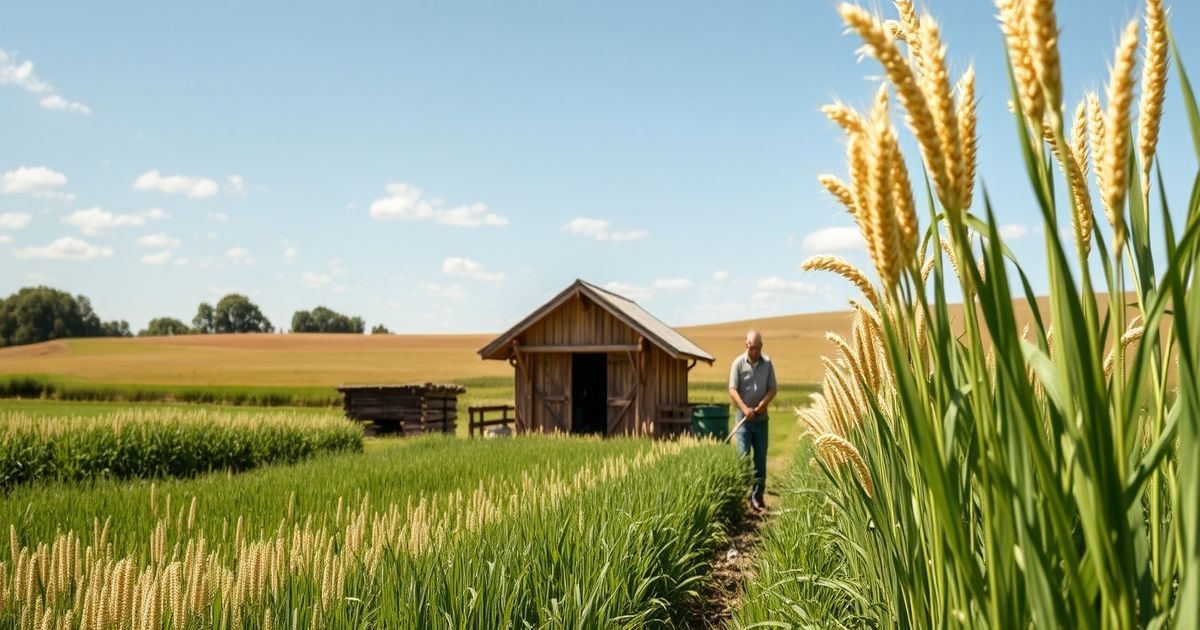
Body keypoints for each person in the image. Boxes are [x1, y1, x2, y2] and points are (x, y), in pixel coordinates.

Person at [728, 329, 777, 511]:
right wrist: (745, 409)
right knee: (743, 458)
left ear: (761, 346)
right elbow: (732, 389)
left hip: (761, 420)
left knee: (760, 460)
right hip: (743, 421)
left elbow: (773, 389)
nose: (754, 351)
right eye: (751, 348)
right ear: (746, 345)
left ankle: (757, 498)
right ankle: (740, 497)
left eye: (757, 348)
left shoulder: (768, 363)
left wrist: (762, 405)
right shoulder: (738, 364)